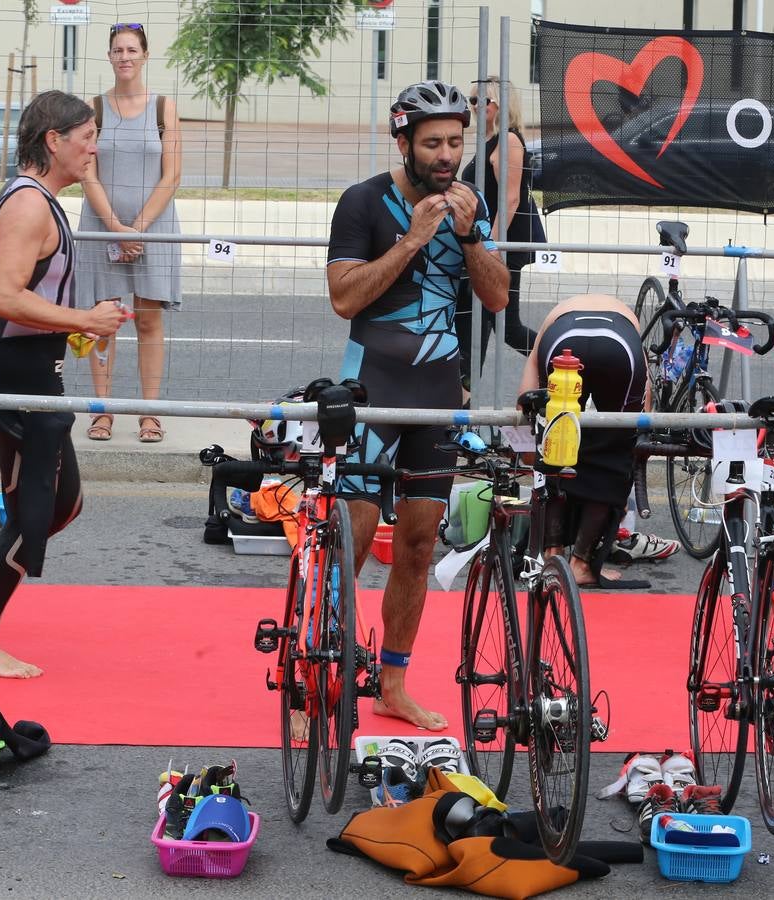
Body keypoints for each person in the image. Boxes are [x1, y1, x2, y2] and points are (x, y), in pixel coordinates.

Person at [0, 91, 132, 678]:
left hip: (29, 365)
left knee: (59, 503)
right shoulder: (28, 205)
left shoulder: (34, 200)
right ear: (54, 140)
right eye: (87, 135)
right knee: (35, 510)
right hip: (18, 373)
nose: (94, 146)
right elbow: (0, 295)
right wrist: (81, 320)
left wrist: (61, 326)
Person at [327, 80, 509, 730]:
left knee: (418, 542)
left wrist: (467, 240)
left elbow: (496, 299)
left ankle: (393, 684)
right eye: (432, 142)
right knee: (348, 538)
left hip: (436, 397)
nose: (445, 155)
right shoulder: (362, 203)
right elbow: (344, 299)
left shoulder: (470, 203)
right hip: (371, 390)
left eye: (455, 142)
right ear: (402, 141)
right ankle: (321, 673)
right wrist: (409, 241)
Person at [78, 22, 182, 444]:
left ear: (144, 56)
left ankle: (149, 413)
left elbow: (172, 173)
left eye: (132, 50)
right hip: (103, 226)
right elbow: (87, 173)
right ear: (109, 56)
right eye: (118, 50)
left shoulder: (163, 108)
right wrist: (114, 228)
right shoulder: (94, 110)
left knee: (147, 322)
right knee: (104, 322)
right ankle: (102, 411)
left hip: (152, 227)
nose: (125, 57)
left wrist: (136, 229)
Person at [517, 295, 649, 588]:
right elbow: (642, 420)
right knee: (616, 447)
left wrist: (534, 454)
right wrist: (629, 459)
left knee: (552, 447)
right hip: (621, 345)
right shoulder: (628, 322)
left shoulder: (554, 318)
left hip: (563, 338)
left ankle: (551, 555)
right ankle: (581, 562)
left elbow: (525, 402)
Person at [458, 76, 541, 399]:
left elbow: (510, 200)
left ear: (500, 106)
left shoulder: (509, 141)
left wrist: (489, 248)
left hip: (502, 244)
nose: (477, 107)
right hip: (487, 244)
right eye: (473, 100)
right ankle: (462, 398)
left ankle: (569, 364)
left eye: (484, 101)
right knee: (480, 323)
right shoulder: (491, 140)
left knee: (503, 326)